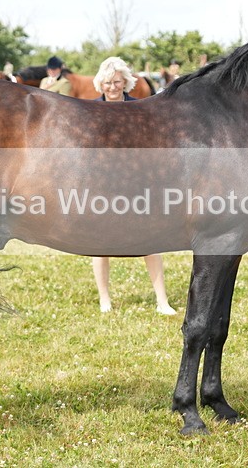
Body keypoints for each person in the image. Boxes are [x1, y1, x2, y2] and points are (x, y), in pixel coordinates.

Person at [91, 56, 176, 315]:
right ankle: (105, 299)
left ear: (126, 82)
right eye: (107, 82)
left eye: (117, 81)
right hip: (103, 185)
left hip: (138, 184)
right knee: (99, 244)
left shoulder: (140, 109)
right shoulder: (90, 112)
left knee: (150, 242)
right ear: (100, 83)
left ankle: (162, 301)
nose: (112, 87)